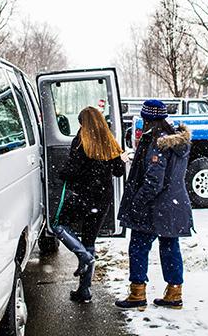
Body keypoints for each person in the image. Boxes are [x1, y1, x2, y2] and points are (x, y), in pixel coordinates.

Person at [115, 99, 193, 311]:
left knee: (138, 246)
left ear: (147, 118)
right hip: (173, 205)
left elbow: (153, 182)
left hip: (155, 208)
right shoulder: (176, 141)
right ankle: (174, 292)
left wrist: (137, 204)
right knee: (169, 247)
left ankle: (137, 293)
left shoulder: (157, 143)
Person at [52, 106, 127, 303]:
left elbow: (71, 171)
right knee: (89, 240)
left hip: (83, 197)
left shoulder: (80, 142)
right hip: (102, 199)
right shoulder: (109, 141)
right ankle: (84, 290)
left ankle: (83, 256)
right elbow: (119, 171)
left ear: (83, 124)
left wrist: (60, 173)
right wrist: (120, 159)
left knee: (58, 225)